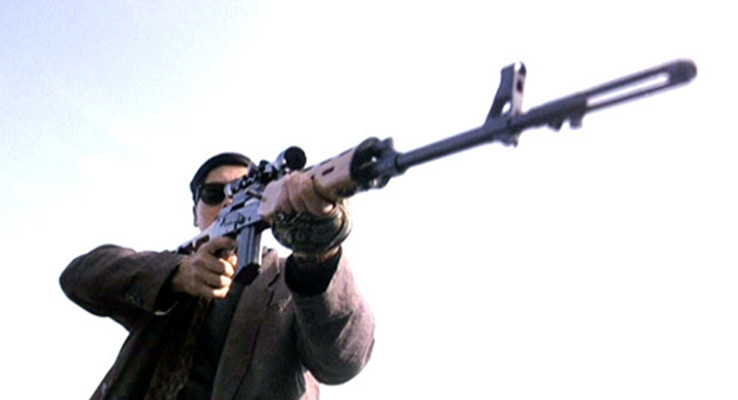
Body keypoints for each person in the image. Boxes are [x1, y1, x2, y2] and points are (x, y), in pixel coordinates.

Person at [60, 152, 375, 400]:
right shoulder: (165, 275)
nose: (228, 199)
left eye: (246, 189)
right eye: (213, 193)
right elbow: (80, 276)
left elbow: (343, 360)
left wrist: (319, 255)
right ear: (195, 212)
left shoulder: (291, 281)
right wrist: (177, 275)